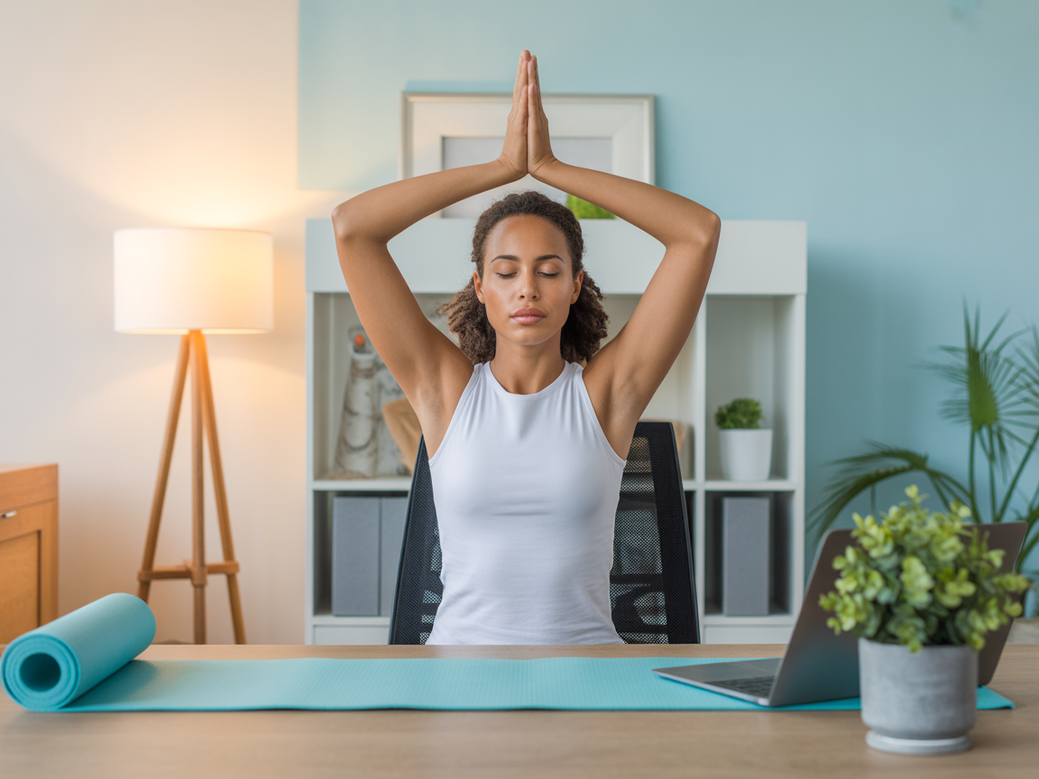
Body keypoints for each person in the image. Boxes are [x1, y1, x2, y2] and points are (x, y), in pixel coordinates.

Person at [332, 51, 720, 644]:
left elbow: (697, 234)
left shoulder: (607, 397)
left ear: (574, 285)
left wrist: (549, 167)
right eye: (506, 271)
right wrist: (504, 166)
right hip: (457, 683)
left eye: (548, 269)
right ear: (480, 288)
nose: (527, 289)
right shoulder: (444, 391)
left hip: (589, 680)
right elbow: (353, 228)